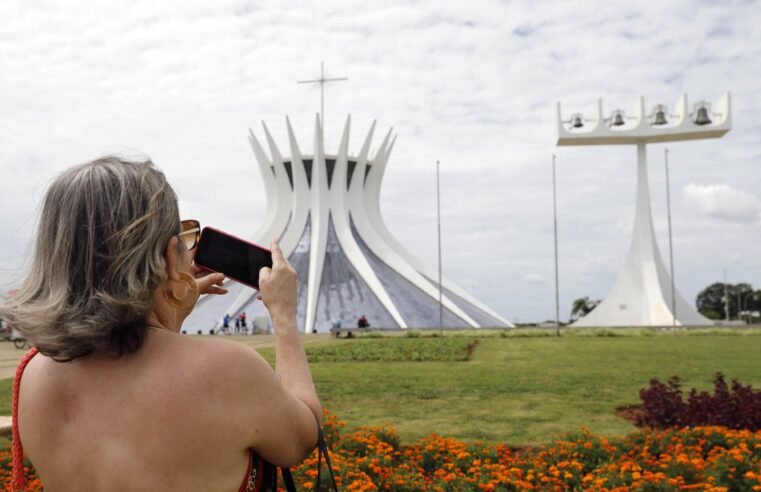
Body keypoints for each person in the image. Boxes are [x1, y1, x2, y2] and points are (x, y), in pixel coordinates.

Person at [1, 156, 321, 491]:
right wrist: (284, 315)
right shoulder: (228, 371)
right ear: (171, 254)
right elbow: (302, 437)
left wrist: (170, 306)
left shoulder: (33, 377)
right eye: (184, 240)